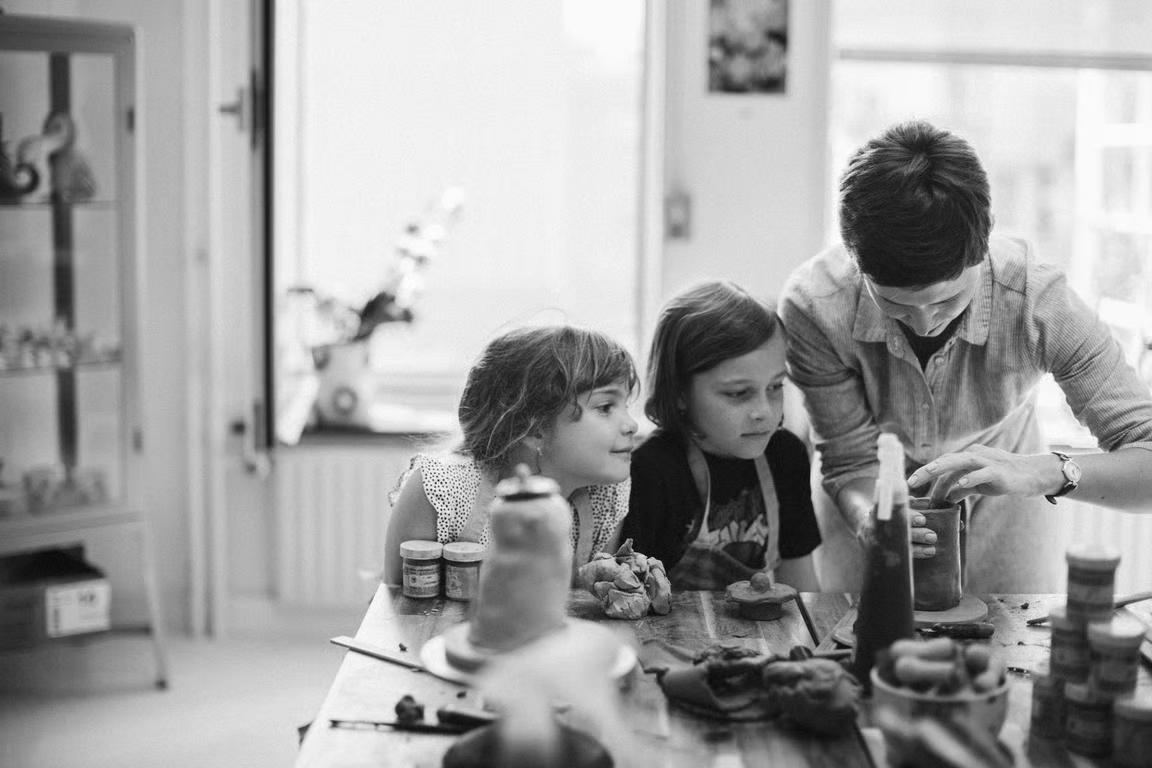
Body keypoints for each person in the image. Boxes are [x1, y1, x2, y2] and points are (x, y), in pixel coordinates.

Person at [780, 119, 1152, 593]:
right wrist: (867, 516)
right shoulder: (814, 306)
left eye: (947, 299)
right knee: (861, 651)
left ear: (984, 244)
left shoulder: (1038, 302)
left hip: (1008, 496)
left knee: (1006, 650)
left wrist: (1042, 470)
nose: (923, 322)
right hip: (868, 497)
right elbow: (849, 460)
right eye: (894, 303)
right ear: (854, 258)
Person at [384, 325, 639, 585]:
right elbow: (399, 610)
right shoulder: (441, 490)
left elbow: (588, 605)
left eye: (625, 405)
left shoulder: (607, 495)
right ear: (535, 429)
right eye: (606, 407)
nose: (632, 425)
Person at [622, 281, 822, 591]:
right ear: (679, 393)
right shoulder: (650, 470)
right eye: (739, 393)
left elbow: (802, 590)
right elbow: (632, 600)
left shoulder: (785, 455)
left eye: (775, 387)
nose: (764, 412)